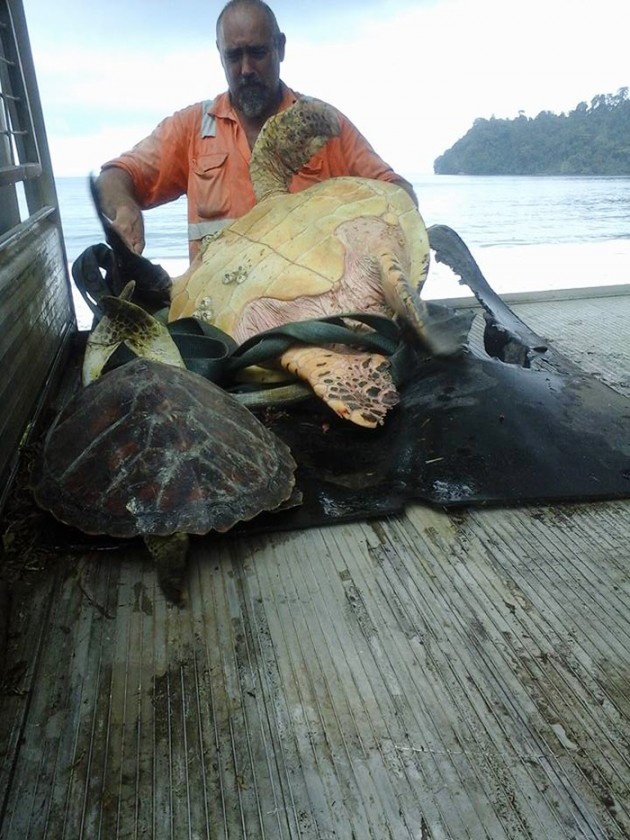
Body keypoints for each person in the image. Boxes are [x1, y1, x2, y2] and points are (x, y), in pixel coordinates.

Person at [96, 0, 418, 261]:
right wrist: (124, 208)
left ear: (280, 47)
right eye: (234, 56)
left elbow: (396, 191)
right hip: (218, 316)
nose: (246, 69)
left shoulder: (322, 124)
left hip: (310, 310)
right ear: (220, 56)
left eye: (258, 52)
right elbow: (114, 177)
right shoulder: (192, 128)